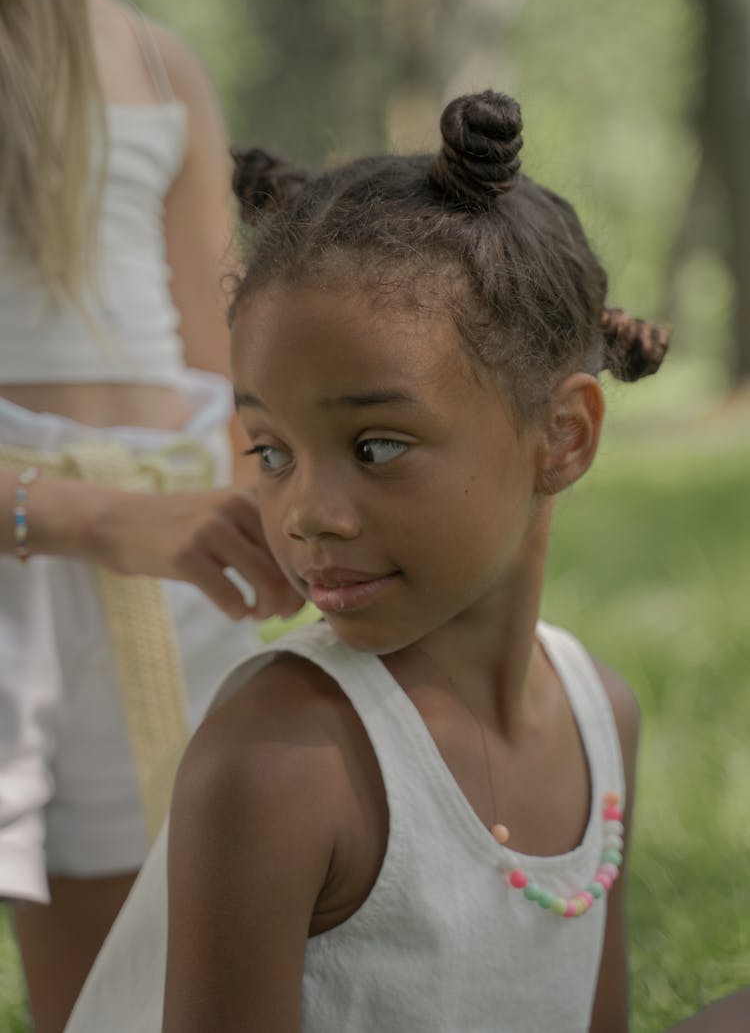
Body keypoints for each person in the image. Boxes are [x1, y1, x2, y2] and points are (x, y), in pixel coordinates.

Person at [65, 89, 671, 1033]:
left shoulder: (604, 717)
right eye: (271, 451)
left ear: (562, 435)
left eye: (377, 445)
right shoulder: (279, 758)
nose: (306, 514)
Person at [0, 0, 300, 1030]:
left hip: (162, 586)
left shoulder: (160, 64)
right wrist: (99, 517)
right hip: (65, 541)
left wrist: (256, 498)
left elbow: (221, 359)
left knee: (131, 976)